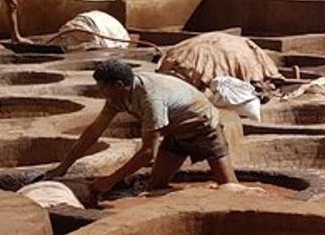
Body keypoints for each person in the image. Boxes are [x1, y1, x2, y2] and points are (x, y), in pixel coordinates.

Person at [46, 60, 236, 196]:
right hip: (175, 130)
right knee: (155, 187)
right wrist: (63, 167)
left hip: (202, 126)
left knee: (229, 187)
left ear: (119, 85)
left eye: (102, 87)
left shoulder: (150, 99)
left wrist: (110, 181)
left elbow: (147, 154)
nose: (100, 92)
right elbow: (93, 133)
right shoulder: (117, 98)